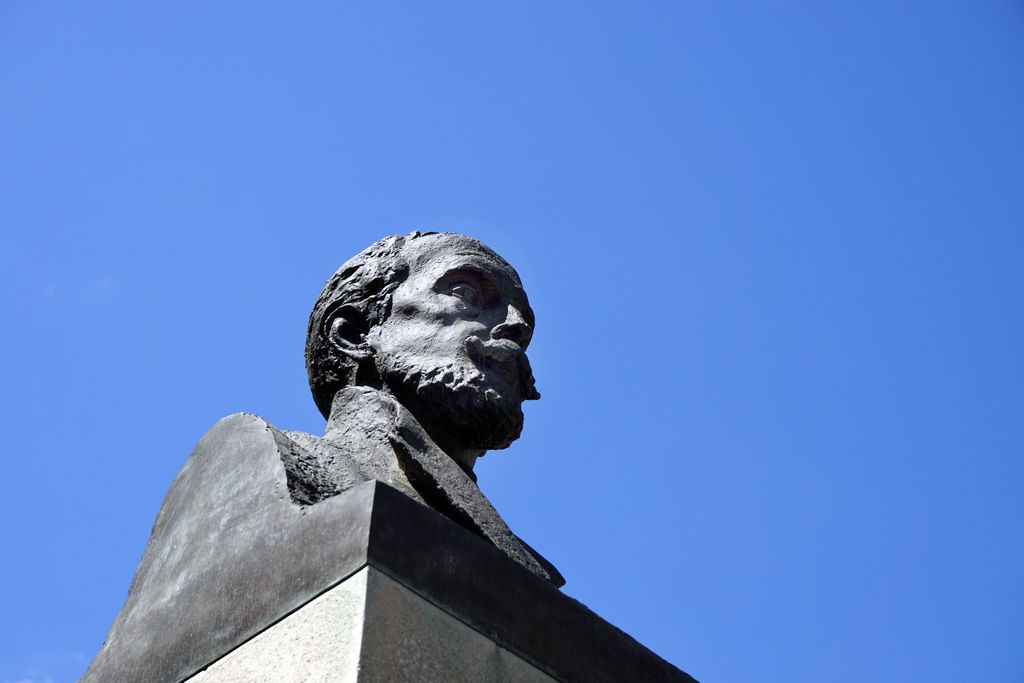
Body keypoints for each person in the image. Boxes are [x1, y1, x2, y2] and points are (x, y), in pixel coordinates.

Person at [82, 232, 562, 683]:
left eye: (525, 324)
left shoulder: (531, 573)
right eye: (465, 291)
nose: (516, 329)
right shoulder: (256, 466)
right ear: (355, 332)